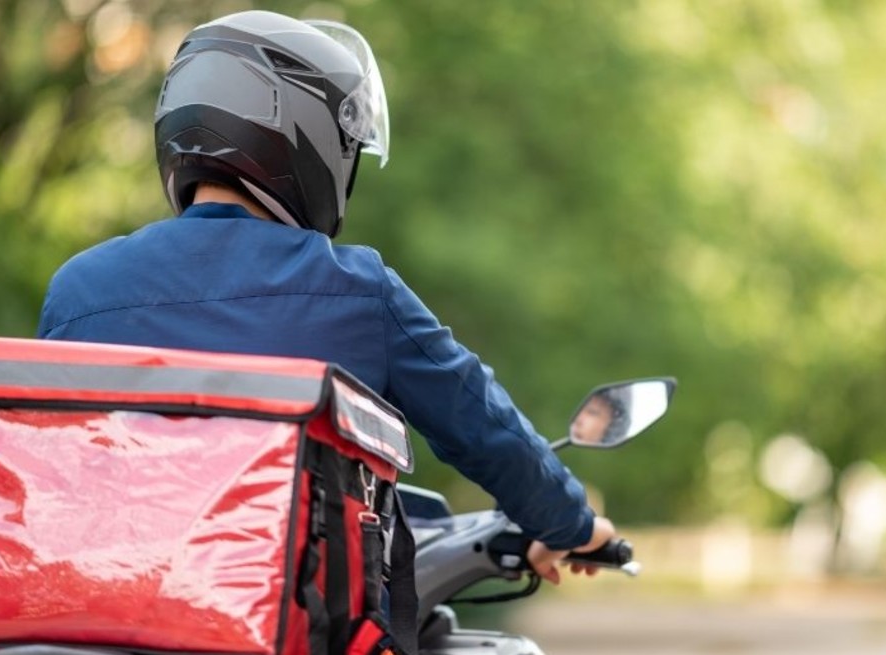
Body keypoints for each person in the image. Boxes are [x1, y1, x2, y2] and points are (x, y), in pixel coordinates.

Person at [36, 11, 612, 581]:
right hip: (289, 616)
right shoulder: (358, 290)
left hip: (102, 604)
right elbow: (482, 425)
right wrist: (573, 524)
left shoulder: (78, 289)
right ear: (301, 136)